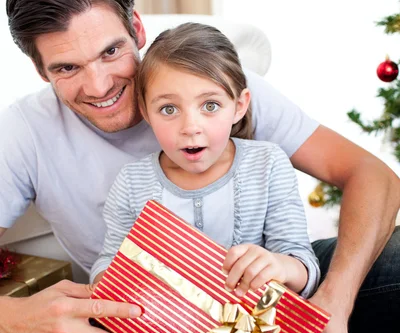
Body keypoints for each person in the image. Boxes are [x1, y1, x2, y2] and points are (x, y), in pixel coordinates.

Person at [0, 0, 398, 333]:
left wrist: (334, 302)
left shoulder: (210, 82)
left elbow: (373, 175)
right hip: (140, 326)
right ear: (38, 68)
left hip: (265, 304)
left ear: (136, 28)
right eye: (67, 67)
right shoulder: (24, 133)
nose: (99, 86)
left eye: (111, 52)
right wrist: (11, 319)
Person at [90, 22, 320, 309]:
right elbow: (110, 260)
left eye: (210, 106)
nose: (190, 127)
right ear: (146, 111)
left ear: (239, 105)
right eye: (169, 109)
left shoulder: (268, 165)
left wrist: (280, 266)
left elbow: (302, 264)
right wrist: (106, 282)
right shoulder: (131, 182)